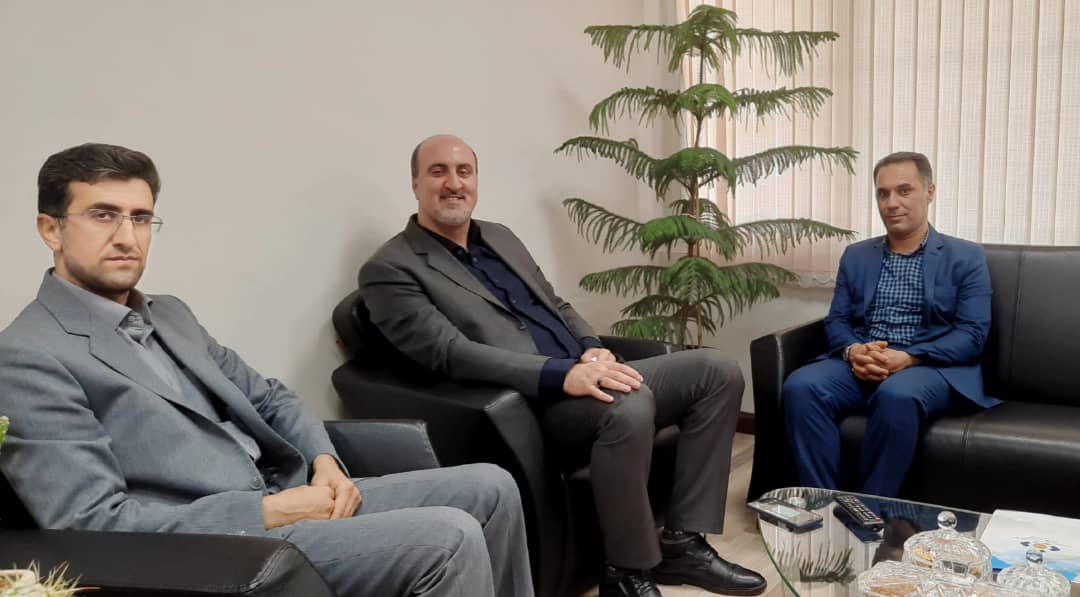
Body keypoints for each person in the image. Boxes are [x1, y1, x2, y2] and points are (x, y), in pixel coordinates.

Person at [0, 142, 534, 597]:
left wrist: (325, 462)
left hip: (292, 492)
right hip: (222, 542)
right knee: (450, 536)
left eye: (140, 217)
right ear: (51, 229)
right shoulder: (28, 355)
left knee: (491, 486)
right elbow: (91, 523)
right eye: (103, 215)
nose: (127, 236)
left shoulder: (170, 314)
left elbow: (271, 397)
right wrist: (271, 512)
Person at [358, 134, 767, 597]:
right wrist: (562, 374)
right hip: (532, 403)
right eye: (438, 172)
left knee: (717, 371)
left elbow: (555, 303)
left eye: (463, 171)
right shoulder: (391, 268)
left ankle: (681, 544)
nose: (454, 183)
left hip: (585, 370)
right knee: (629, 403)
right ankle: (625, 573)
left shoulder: (499, 236)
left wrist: (592, 347)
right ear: (415, 183)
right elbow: (449, 352)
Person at [781, 151, 998, 498]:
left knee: (897, 394)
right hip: (863, 363)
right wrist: (854, 351)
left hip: (929, 367)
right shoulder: (857, 255)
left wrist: (909, 357)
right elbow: (838, 320)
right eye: (883, 193)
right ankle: (824, 505)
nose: (891, 203)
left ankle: (870, 512)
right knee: (801, 386)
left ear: (930, 192)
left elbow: (972, 335)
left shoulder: (966, 257)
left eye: (904, 190)